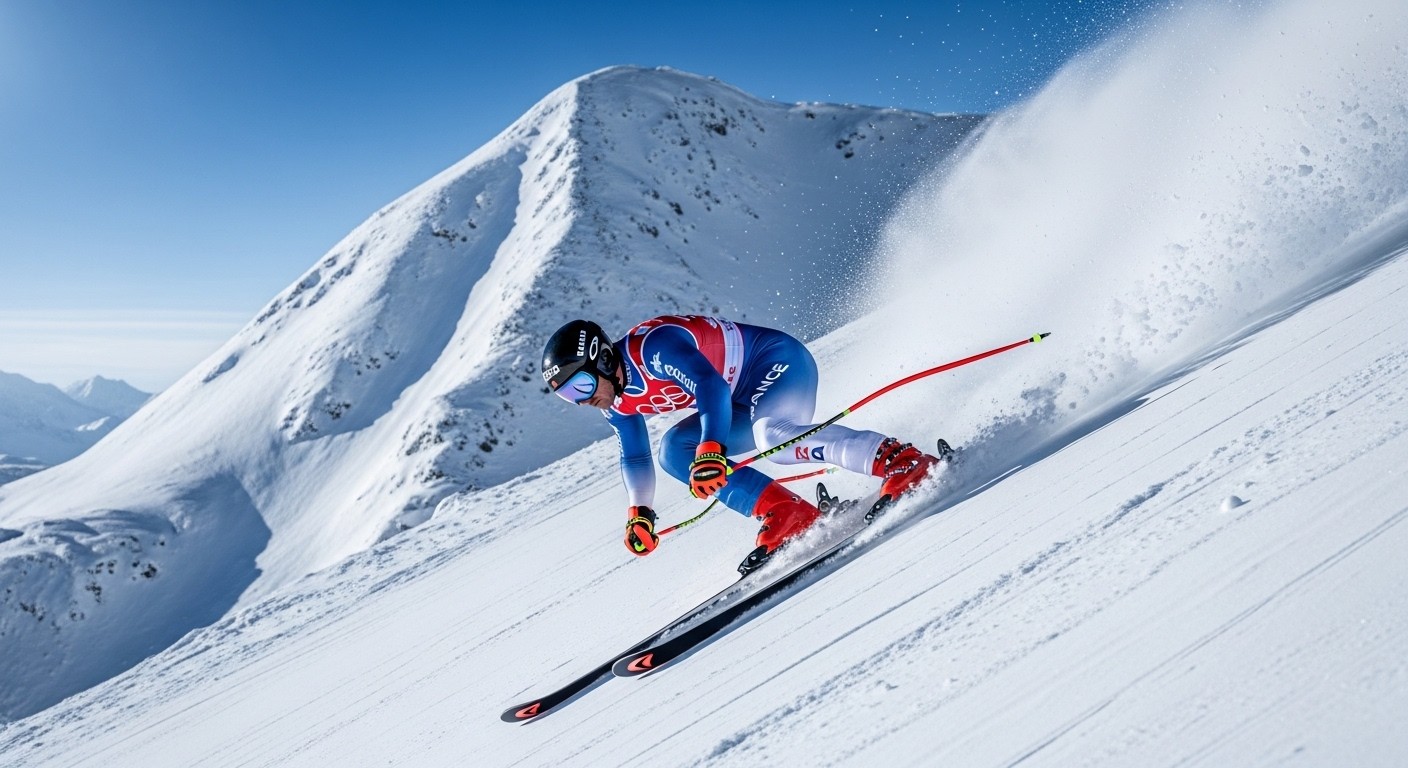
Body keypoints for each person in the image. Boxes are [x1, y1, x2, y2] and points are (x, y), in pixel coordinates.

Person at [541, 314, 941, 567]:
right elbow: (635, 456)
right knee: (673, 452)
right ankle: (787, 513)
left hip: (776, 363)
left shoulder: (653, 348)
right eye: (567, 397)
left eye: (581, 385)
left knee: (774, 437)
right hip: (738, 399)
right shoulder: (615, 401)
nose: (582, 400)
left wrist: (712, 448)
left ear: (604, 360)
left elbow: (708, 385)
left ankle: (899, 460)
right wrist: (639, 513)